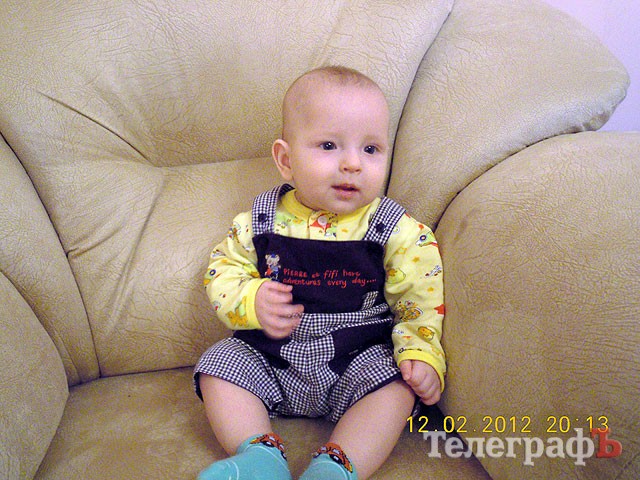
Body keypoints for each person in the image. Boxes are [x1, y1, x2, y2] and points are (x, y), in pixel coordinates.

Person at [194, 65, 446, 480]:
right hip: (269, 357)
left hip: (358, 360)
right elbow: (223, 271)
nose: (352, 164)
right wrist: (250, 300)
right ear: (286, 160)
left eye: (371, 149)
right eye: (329, 145)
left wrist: (420, 354)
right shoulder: (258, 223)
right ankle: (259, 455)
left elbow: (419, 302)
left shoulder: (399, 231)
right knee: (217, 365)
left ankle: (336, 467)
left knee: (397, 388)